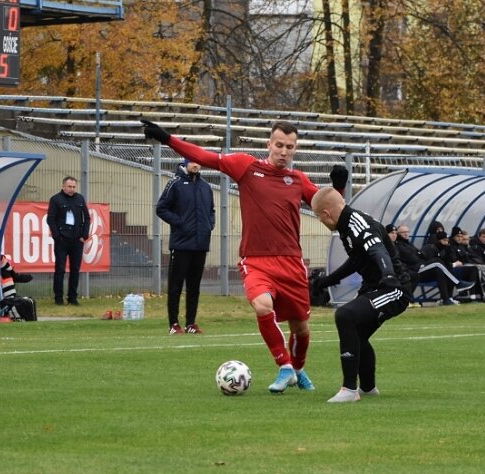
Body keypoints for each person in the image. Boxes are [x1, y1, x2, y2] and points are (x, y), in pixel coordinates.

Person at [141, 119, 345, 394]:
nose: (283, 151)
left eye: (290, 147)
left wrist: (338, 188)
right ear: (269, 145)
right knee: (262, 305)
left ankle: (297, 369)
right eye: (279, 145)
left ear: (295, 150)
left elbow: (331, 214)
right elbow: (205, 157)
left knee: (301, 328)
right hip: (256, 260)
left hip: (291, 262)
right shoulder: (247, 167)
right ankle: (284, 366)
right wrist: (168, 138)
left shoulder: (298, 181)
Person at [310, 188, 410, 403]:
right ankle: (368, 388)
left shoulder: (358, 225)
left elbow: (378, 251)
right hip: (375, 287)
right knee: (357, 334)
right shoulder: (347, 226)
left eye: (319, 218)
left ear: (326, 213)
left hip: (393, 288)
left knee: (345, 315)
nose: (321, 222)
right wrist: (326, 281)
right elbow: (356, 261)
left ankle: (349, 389)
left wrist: (389, 276)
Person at [156, 158, 215, 335]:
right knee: (175, 286)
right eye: (193, 162)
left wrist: (209, 225)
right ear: (186, 163)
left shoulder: (206, 186)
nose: (196, 165)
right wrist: (180, 223)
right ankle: (174, 324)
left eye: (199, 162)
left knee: (194, 286)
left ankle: (191, 323)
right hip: (181, 244)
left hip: (200, 244)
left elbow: (211, 211)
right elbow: (162, 208)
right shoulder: (175, 183)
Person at [47, 176, 90, 306]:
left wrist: (84, 235)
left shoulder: (80, 198)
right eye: (69, 186)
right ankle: (58, 298)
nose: (72, 189)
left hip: (77, 240)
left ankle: (72, 297)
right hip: (62, 240)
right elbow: (51, 219)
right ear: (63, 186)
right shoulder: (55, 199)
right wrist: (56, 236)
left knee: (75, 269)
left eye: (73, 187)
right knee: (60, 269)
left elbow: (87, 218)